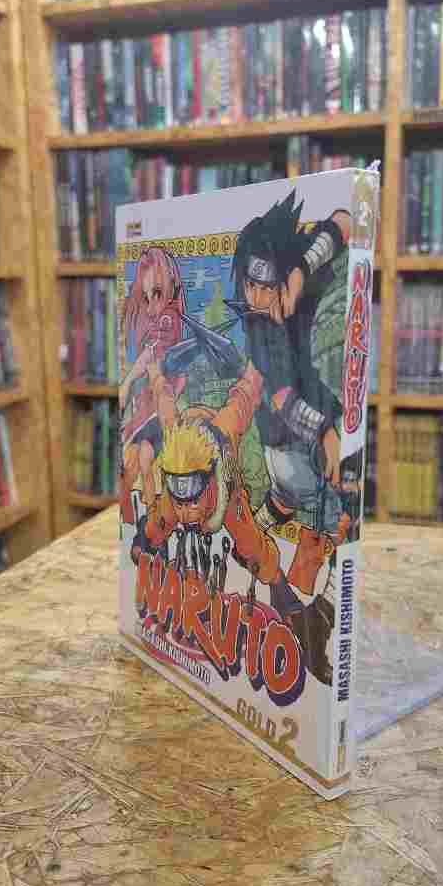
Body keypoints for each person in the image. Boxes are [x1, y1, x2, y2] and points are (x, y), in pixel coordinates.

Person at [129, 353, 334, 686]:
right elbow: (164, 396)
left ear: (207, 479)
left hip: (225, 488)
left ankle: (290, 605)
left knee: (254, 549)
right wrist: (153, 369)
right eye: (179, 493)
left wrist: (261, 359)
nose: (187, 509)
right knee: (150, 533)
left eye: (191, 494)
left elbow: (245, 393)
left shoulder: (227, 437)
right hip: (186, 453)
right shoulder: (173, 458)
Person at [229, 189, 352, 537]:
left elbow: (344, 220)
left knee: (292, 496)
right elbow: (284, 400)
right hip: (286, 437)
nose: (256, 297)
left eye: (266, 288)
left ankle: (262, 526)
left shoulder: (297, 264)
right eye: (250, 285)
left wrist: (304, 265)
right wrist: (324, 432)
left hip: (319, 398)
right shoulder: (259, 330)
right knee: (307, 496)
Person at [119, 246, 185, 521]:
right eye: (146, 298)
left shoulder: (169, 318)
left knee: (145, 456)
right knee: (137, 457)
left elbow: (150, 356)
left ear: (172, 286)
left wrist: (127, 382)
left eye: (157, 293)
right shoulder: (156, 322)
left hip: (163, 403)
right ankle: (145, 513)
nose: (151, 305)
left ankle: (154, 513)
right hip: (149, 404)